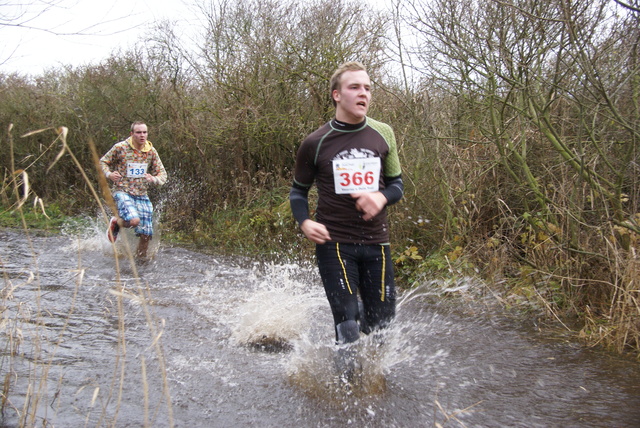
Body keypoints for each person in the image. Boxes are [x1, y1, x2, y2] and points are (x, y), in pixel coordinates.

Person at [289, 62, 404, 377]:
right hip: (334, 243)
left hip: (377, 244)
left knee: (381, 329)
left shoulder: (383, 134)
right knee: (349, 327)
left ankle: (374, 384)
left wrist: (380, 197)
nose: (363, 93)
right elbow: (298, 193)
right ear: (337, 95)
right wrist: (305, 222)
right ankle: (346, 395)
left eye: (367, 87)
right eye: (355, 87)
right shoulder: (316, 142)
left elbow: (397, 185)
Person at [100, 121, 167, 259]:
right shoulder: (121, 148)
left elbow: (162, 174)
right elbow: (103, 162)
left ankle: (140, 262)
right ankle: (116, 222)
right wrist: (109, 174)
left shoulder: (151, 151)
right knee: (135, 221)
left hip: (142, 194)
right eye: (138, 132)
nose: (142, 135)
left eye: (144, 132)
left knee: (146, 234)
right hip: (123, 191)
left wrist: (153, 179)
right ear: (132, 134)